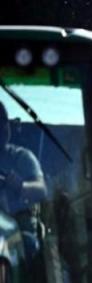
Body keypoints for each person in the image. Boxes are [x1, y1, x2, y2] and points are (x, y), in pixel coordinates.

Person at [0, 101, 46, 256]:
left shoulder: (21, 157)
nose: (2, 128)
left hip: (19, 229)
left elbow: (41, 190)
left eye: (4, 121)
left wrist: (21, 186)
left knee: (29, 243)